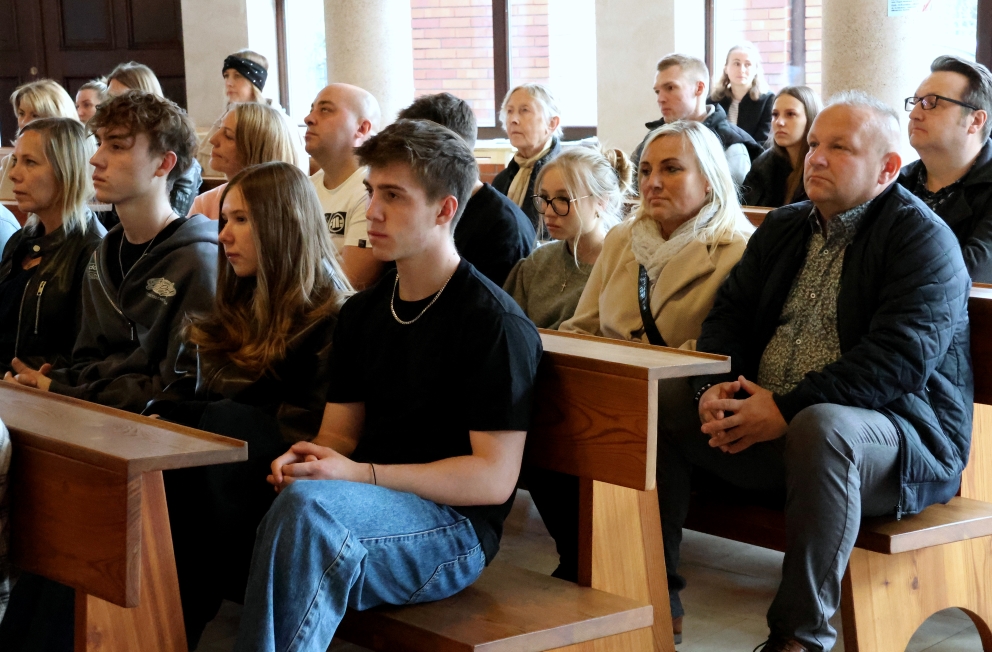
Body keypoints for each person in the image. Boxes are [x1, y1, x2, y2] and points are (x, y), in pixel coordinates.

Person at [660, 92, 971, 652]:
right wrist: (713, 389)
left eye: (839, 148)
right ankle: (657, 602)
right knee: (663, 399)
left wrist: (784, 409)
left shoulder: (922, 240)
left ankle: (799, 639)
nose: (816, 158)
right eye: (814, 145)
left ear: (888, 168)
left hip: (899, 442)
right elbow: (727, 317)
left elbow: (897, 360)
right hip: (776, 426)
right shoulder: (784, 227)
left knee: (823, 427)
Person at [230, 119, 543, 651]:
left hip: (453, 531)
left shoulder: (492, 323)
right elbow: (340, 436)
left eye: (393, 196)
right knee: (251, 486)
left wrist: (359, 475)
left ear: (444, 210)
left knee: (308, 516)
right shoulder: (363, 312)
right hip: (367, 501)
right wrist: (309, 460)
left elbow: (492, 478)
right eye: (371, 191)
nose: (371, 210)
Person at [548, 124, 753, 615]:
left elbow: (722, 352)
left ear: (709, 179)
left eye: (671, 169)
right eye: (645, 170)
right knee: (538, 394)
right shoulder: (623, 239)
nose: (653, 182)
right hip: (615, 387)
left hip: (686, 401)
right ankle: (578, 556)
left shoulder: (739, 249)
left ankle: (658, 589)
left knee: (642, 411)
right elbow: (583, 325)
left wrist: (625, 374)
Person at [145, 162, 351, 648]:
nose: (223, 236)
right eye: (224, 220)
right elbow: (183, 393)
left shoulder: (334, 318)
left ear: (283, 225)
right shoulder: (234, 302)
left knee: (207, 443)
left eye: (241, 220)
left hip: (272, 490)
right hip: (207, 478)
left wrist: (188, 422)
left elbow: (300, 437)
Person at [5, 91, 218, 414]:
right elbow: (88, 361)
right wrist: (48, 380)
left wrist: (62, 389)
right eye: (100, 142)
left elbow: (180, 388)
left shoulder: (197, 262)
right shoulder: (104, 254)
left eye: (117, 146)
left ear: (164, 163)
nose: (96, 158)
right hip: (97, 416)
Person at [0, 118, 105, 377]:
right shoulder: (21, 241)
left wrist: (29, 378)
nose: (13, 174)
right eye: (16, 161)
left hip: (35, 390)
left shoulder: (93, 250)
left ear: (66, 170)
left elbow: (88, 356)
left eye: (30, 162)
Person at [398, 92, 536, 286]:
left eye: (413, 153)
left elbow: (486, 302)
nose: (404, 164)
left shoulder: (503, 227)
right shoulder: (427, 208)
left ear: (449, 151)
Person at [504, 145, 631, 329]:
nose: (548, 212)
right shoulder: (536, 263)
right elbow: (511, 328)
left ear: (601, 201)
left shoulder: (619, 268)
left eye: (563, 199)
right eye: (544, 198)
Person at [899, 55, 992, 282]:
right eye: (916, 101)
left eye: (931, 103)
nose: (914, 114)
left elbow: (971, 273)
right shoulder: (895, 183)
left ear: (975, 121)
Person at [632, 54, 761, 188]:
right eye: (657, 92)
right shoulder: (652, 139)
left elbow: (730, 200)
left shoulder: (730, 145)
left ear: (699, 88)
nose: (660, 99)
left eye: (670, 88)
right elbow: (631, 192)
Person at [304, 83, 384, 289]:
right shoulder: (304, 188)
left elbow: (347, 286)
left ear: (361, 128)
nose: (308, 118)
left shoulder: (373, 192)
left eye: (325, 110)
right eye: (312, 109)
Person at [103, 61, 202, 222]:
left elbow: (170, 222)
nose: (112, 108)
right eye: (109, 99)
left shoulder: (182, 164)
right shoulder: (103, 150)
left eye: (123, 100)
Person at [195, 51, 308, 177]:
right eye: (226, 76)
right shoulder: (225, 119)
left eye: (237, 76)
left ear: (255, 81)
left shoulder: (279, 124)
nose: (228, 83)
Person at [189, 102, 303, 220]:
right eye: (219, 129)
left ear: (258, 149)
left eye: (228, 136)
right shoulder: (205, 204)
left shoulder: (293, 205)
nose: (213, 140)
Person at [492, 83, 564, 234]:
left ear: (552, 123)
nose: (513, 120)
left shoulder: (565, 176)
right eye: (509, 111)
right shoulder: (502, 180)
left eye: (524, 110)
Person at [743, 86, 822, 207]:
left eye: (790, 114)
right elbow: (744, 211)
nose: (779, 122)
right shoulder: (763, 165)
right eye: (775, 115)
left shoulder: (822, 166)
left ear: (811, 118)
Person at [0, 80, 78, 202]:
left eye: (35, 115)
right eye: (21, 113)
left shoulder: (77, 160)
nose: (24, 122)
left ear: (57, 118)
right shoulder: (10, 163)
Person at [711, 43, 775, 145]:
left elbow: (763, 141)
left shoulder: (768, 100)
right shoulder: (713, 100)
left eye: (748, 64)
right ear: (726, 68)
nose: (742, 70)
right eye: (736, 64)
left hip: (754, 154)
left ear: (756, 70)